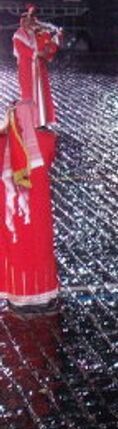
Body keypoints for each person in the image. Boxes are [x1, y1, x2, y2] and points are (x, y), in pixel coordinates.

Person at [0, 101, 58, 308]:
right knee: (40, 246)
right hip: (38, 207)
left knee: (14, 249)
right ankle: (42, 292)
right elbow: (49, 159)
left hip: (10, 209)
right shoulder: (46, 140)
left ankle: (17, 292)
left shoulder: (2, 141)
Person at [12, 6, 61, 128]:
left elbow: (50, 41)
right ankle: (28, 121)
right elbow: (23, 51)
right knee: (28, 94)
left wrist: (49, 49)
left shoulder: (37, 33)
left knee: (41, 94)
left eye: (28, 21)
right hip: (27, 69)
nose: (25, 24)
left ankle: (41, 120)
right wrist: (38, 53)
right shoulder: (18, 35)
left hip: (39, 68)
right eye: (23, 21)